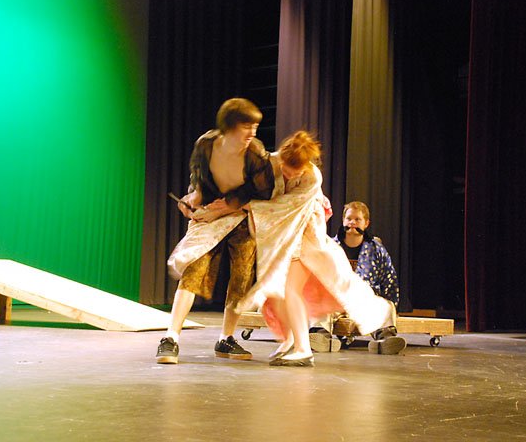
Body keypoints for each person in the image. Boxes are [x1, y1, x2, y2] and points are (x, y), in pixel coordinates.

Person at [240, 131, 405, 367]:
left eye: (295, 170)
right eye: (287, 167)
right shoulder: (272, 162)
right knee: (276, 293)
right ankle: (289, 340)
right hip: (283, 234)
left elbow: (285, 206)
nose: (290, 174)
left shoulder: (312, 177)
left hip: (305, 232)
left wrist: (248, 206)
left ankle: (302, 348)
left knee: (290, 288)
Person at [157, 98, 274, 364]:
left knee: (241, 277)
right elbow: (198, 180)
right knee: (193, 269)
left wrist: (230, 205)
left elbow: (263, 190)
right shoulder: (206, 145)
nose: (252, 133)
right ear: (230, 126)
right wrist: (193, 198)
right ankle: (170, 337)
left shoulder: (255, 152)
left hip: (242, 218)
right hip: (211, 216)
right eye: (247, 126)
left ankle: (226, 338)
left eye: (255, 126)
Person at [309, 201, 402, 353]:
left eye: (357, 219)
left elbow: (389, 277)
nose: (352, 222)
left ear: (366, 223)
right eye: (349, 218)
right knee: (320, 304)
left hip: (364, 299)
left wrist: (392, 302)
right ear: (343, 221)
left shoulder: (377, 250)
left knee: (386, 306)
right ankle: (321, 337)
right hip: (335, 298)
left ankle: (385, 340)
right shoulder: (330, 246)